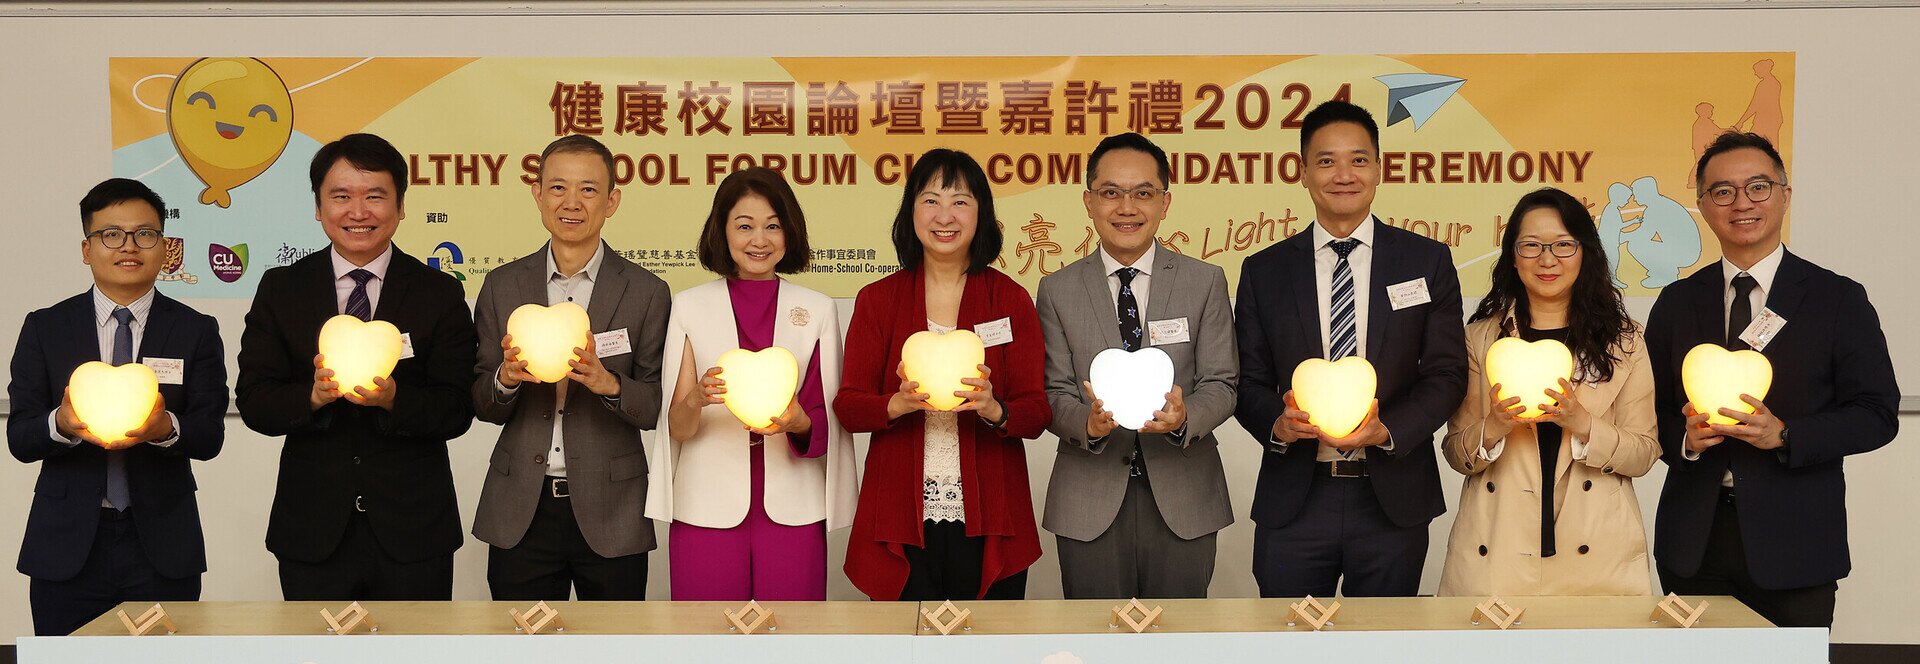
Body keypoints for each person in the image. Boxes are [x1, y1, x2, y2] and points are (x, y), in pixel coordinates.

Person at [1648, 131, 1899, 628]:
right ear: (1702, 205)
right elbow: (1646, 410)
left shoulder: (1837, 299)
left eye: (1758, 187)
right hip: (1694, 543)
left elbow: (1877, 414)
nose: (1741, 203)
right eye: (1722, 191)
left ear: (1785, 195)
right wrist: (1685, 441)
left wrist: (1785, 434)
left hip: (1797, 541)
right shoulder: (1678, 302)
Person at [1233, 100, 1466, 598]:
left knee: (1382, 647)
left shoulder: (1425, 261)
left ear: (1379, 169)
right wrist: (1275, 424)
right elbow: (1245, 380)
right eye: (1326, 160)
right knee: (1286, 643)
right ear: (1302, 172)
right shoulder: (1265, 270)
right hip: (1296, 496)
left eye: (1358, 160)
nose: (1343, 174)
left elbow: (1446, 373)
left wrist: (1390, 430)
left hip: (1392, 497)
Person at [236, 133, 478, 601]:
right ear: (318, 206)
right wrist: (311, 396)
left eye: (375, 196)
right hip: (312, 528)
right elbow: (254, 400)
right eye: (341, 196)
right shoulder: (282, 289)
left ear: (401, 205)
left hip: (414, 531)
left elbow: (457, 408)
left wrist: (395, 400)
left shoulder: (438, 292)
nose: (358, 211)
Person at [9, 179, 226, 635]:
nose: (129, 246)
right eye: (111, 234)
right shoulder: (46, 327)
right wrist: (61, 424)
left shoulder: (196, 330)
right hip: (65, 547)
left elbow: (209, 436)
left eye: (145, 234)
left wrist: (166, 428)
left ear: (164, 247)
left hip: (163, 544)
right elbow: (21, 437)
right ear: (87, 249)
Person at [835, 149, 1052, 601]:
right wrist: (893, 405)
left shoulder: (1009, 299)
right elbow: (849, 405)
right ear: (910, 211)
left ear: (981, 214)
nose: (944, 215)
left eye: (961, 201)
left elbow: (1035, 413)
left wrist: (995, 408)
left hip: (992, 514)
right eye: (930, 199)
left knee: (989, 647)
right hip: (901, 513)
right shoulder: (878, 300)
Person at [470, 135, 669, 601]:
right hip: (521, 504)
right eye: (557, 188)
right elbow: (480, 401)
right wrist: (506, 379)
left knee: (615, 647)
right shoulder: (503, 285)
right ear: (537, 194)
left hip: (613, 508)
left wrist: (609, 383)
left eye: (589, 189)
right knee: (521, 644)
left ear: (612, 200)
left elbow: (657, 405)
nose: (571, 203)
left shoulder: (646, 291)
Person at [1037, 133, 1236, 599]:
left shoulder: (1204, 282)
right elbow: (1052, 391)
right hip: (1088, 496)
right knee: (1094, 642)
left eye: (1143, 193)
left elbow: (1222, 382)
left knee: (1180, 643)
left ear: (1165, 202)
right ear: (1089, 201)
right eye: (1111, 193)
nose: (1127, 207)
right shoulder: (1057, 289)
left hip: (1184, 494)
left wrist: (1185, 417)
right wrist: (1085, 422)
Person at [1437, 187, 1659, 596]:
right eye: (1531, 246)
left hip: (1597, 551)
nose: (1547, 259)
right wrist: (1493, 427)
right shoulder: (1480, 338)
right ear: (1512, 255)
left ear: (1585, 251)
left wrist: (1584, 424)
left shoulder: (1624, 340)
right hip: (1497, 547)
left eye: (1562, 244)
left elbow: (1645, 452)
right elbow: (1455, 452)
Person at [648, 167, 857, 600]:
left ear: (789, 232)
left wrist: (798, 421)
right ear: (722, 232)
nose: (759, 240)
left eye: (772, 226)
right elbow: (677, 428)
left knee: (794, 642)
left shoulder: (816, 309)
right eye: (744, 226)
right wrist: (699, 398)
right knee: (703, 642)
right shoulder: (689, 307)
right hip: (704, 505)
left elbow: (827, 425)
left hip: (793, 506)